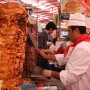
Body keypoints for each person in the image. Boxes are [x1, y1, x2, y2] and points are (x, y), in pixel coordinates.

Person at [39, 13, 90, 90]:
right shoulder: (79, 44)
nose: (68, 35)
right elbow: (65, 57)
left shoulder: (82, 48)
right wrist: (47, 56)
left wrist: (48, 72)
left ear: (76, 31)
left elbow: (70, 77)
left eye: (69, 31)